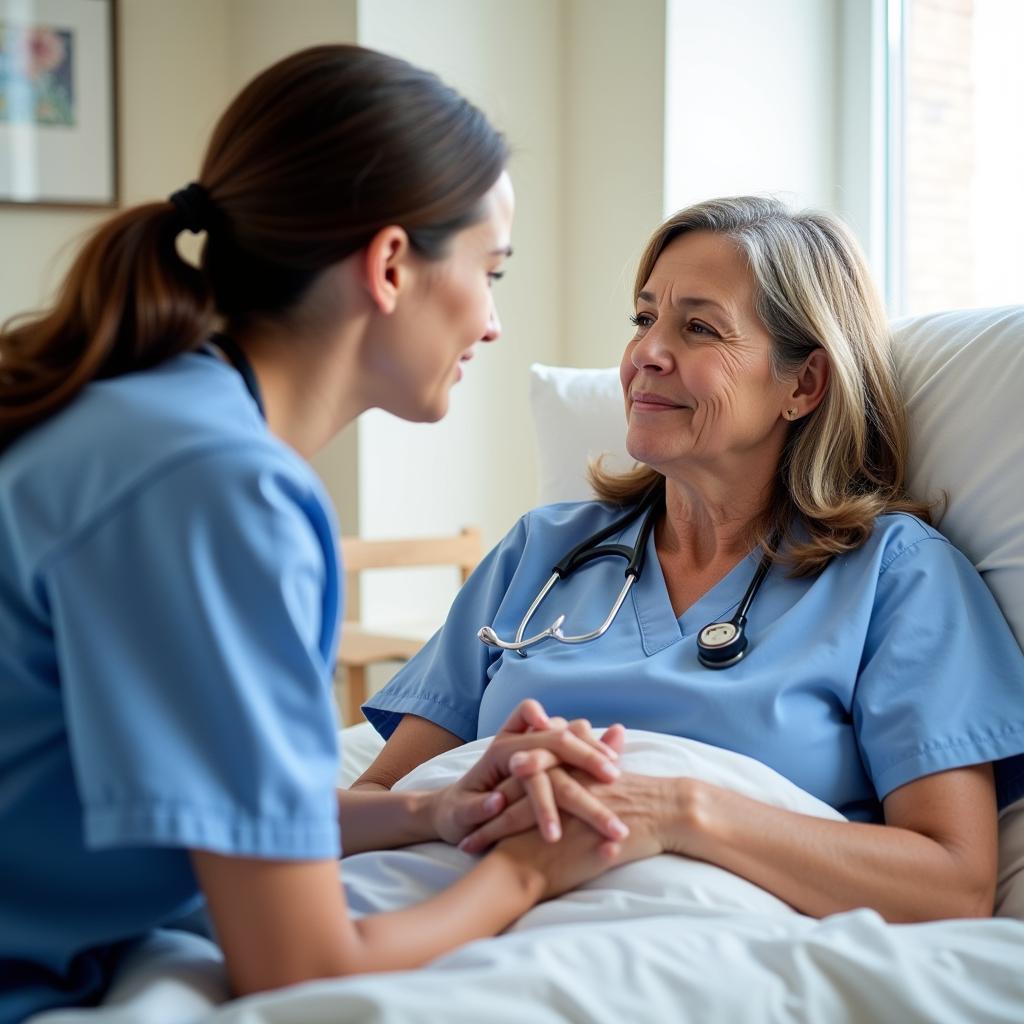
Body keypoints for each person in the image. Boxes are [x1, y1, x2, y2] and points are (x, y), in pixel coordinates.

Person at [0, 45, 636, 1023]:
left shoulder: (155, 421)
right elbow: (297, 968)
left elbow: (209, 809)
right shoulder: (215, 490)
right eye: (489, 268)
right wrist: (523, 875)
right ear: (389, 265)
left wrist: (433, 807)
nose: (496, 321)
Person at [357, 195, 1024, 924]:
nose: (646, 352)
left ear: (802, 385)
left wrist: (680, 810)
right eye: (644, 319)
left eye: (699, 328)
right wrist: (446, 805)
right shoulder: (543, 550)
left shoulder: (897, 577)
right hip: (438, 906)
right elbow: (380, 801)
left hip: (685, 942)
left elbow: (952, 882)